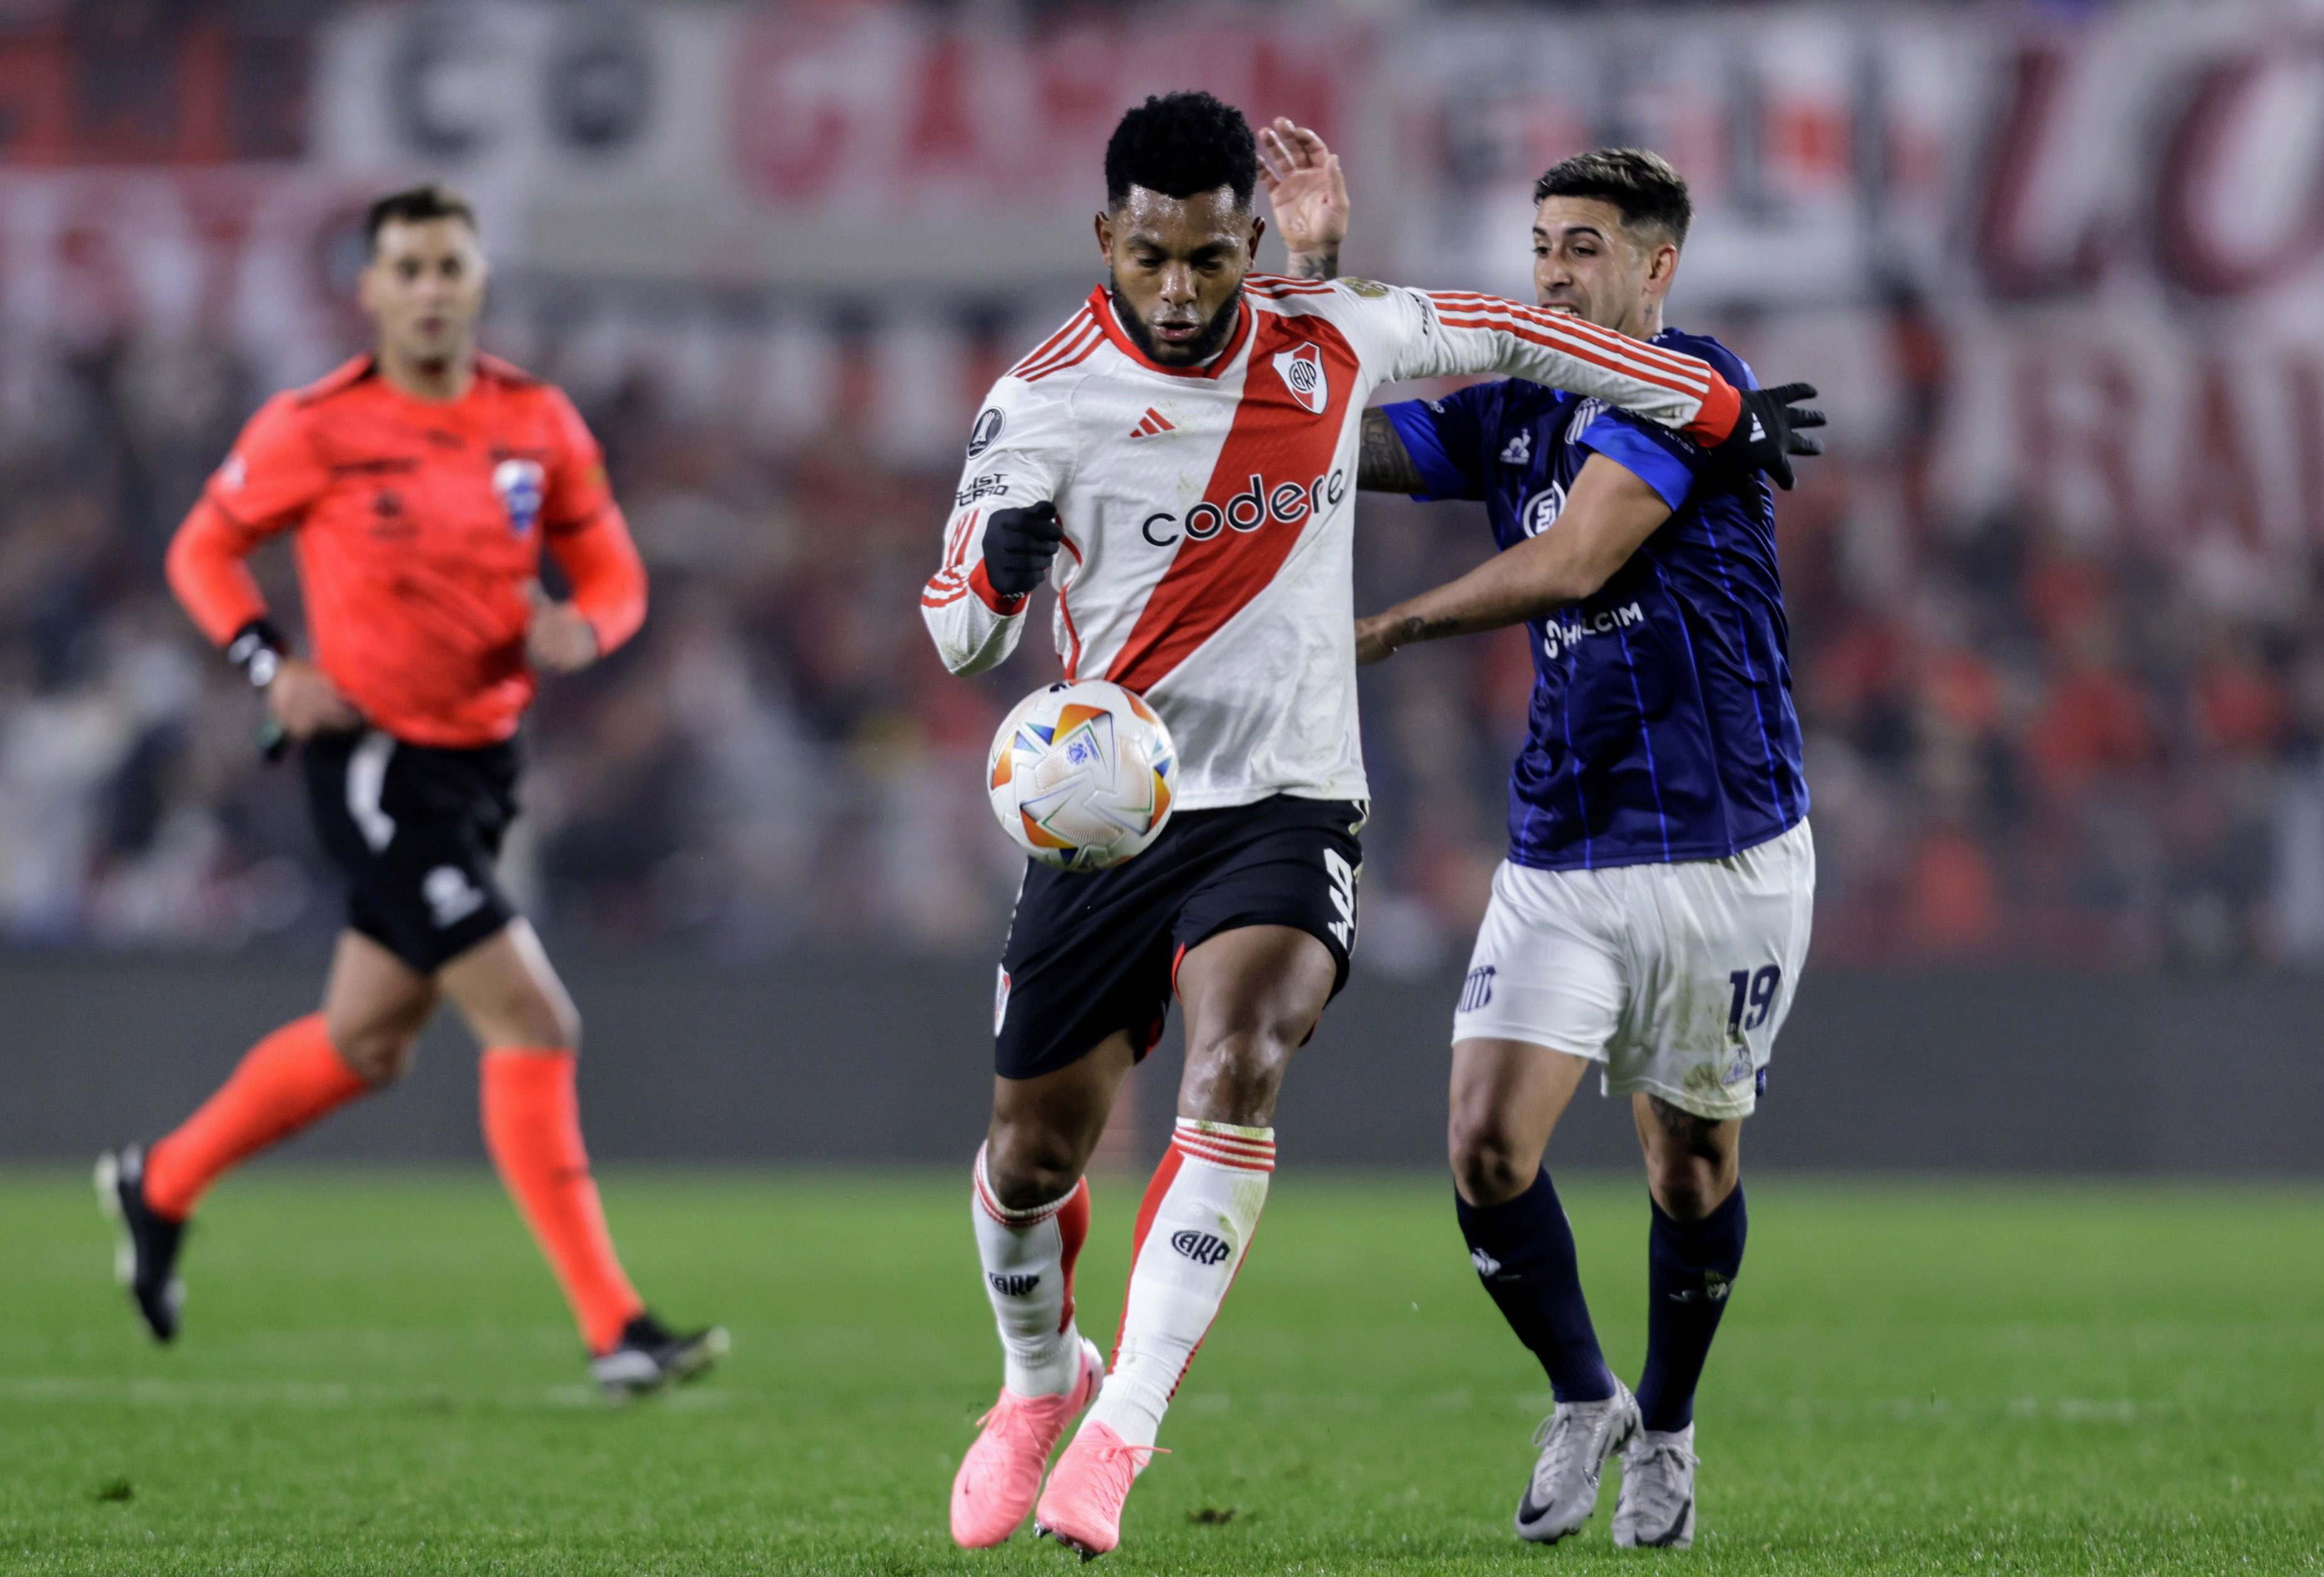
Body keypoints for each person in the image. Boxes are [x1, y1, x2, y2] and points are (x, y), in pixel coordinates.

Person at [921, 95, 1818, 1558]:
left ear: (1245, 239)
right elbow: (954, 633)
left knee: (1244, 1059)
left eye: (1212, 259)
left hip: (1294, 798)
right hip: (1111, 807)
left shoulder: (1328, 337)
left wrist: (1712, 406)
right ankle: (1040, 1387)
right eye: (1152, 258)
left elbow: (1518, 358)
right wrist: (996, 578)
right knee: (1030, 1157)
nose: (1181, 291)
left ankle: (1125, 1431)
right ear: (1108, 240)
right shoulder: (1038, 399)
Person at [97, 183, 724, 1401]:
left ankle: (159, 1183)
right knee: (531, 1019)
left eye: (450, 265)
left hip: (486, 764)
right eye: (408, 268)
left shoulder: (536, 420)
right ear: (371, 290)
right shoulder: (315, 425)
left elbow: (613, 572)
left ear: (479, 280)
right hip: (377, 765)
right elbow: (201, 550)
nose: (431, 288)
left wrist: (585, 631)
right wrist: (269, 667)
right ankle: (614, 1327)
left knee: (367, 1044)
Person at [1289, 146, 1818, 1546]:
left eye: (1582, 246)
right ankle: (1581, 1395)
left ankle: (1671, 1422)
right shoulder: (1522, 394)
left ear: (1655, 268)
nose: (1549, 270)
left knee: (1690, 1167)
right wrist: (1310, 287)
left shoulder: (1683, 388)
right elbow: (1338, 439)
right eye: (1539, 242)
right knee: (1481, 1146)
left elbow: (1575, 561)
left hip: (1720, 848)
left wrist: (1388, 631)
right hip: (1562, 845)